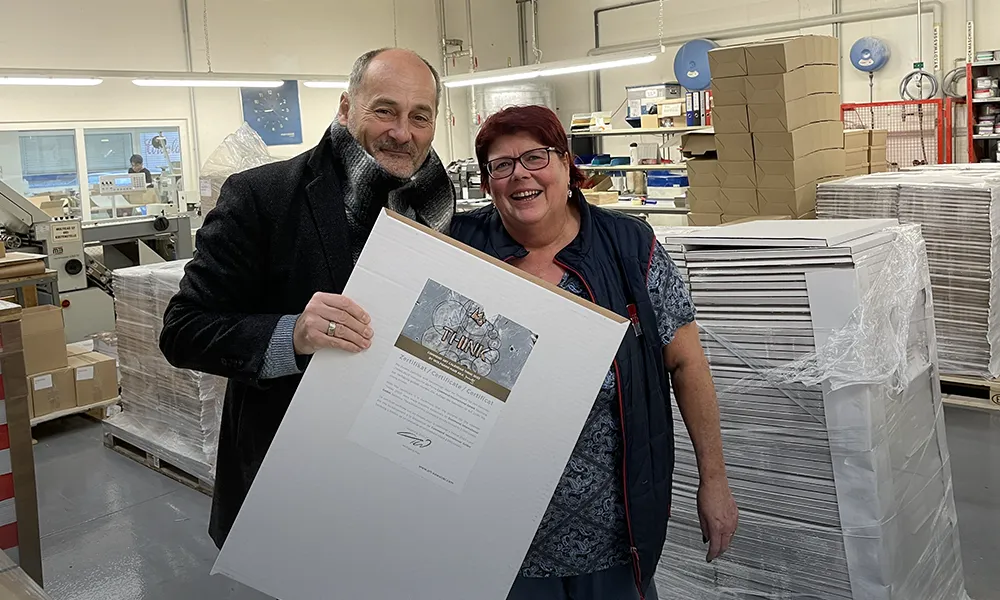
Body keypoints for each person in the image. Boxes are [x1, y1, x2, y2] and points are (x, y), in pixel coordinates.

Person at [158, 47, 455, 549]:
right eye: (384, 110)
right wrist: (289, 335)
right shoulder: (263, 196)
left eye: (418, 117)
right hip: (293, 472)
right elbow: (183, 329)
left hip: (405, 466)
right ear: (345, 108)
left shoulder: (439, 207)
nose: (402, 132)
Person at [449, 105, 739, 600]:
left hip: (612, 532)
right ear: (487, 180)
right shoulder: (457, 245)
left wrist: (715, 480)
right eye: (501, 165)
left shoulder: (628, 246)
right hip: (494, 534)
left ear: (566, 164)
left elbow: (687, 362)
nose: (521, 175)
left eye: (536, 157)